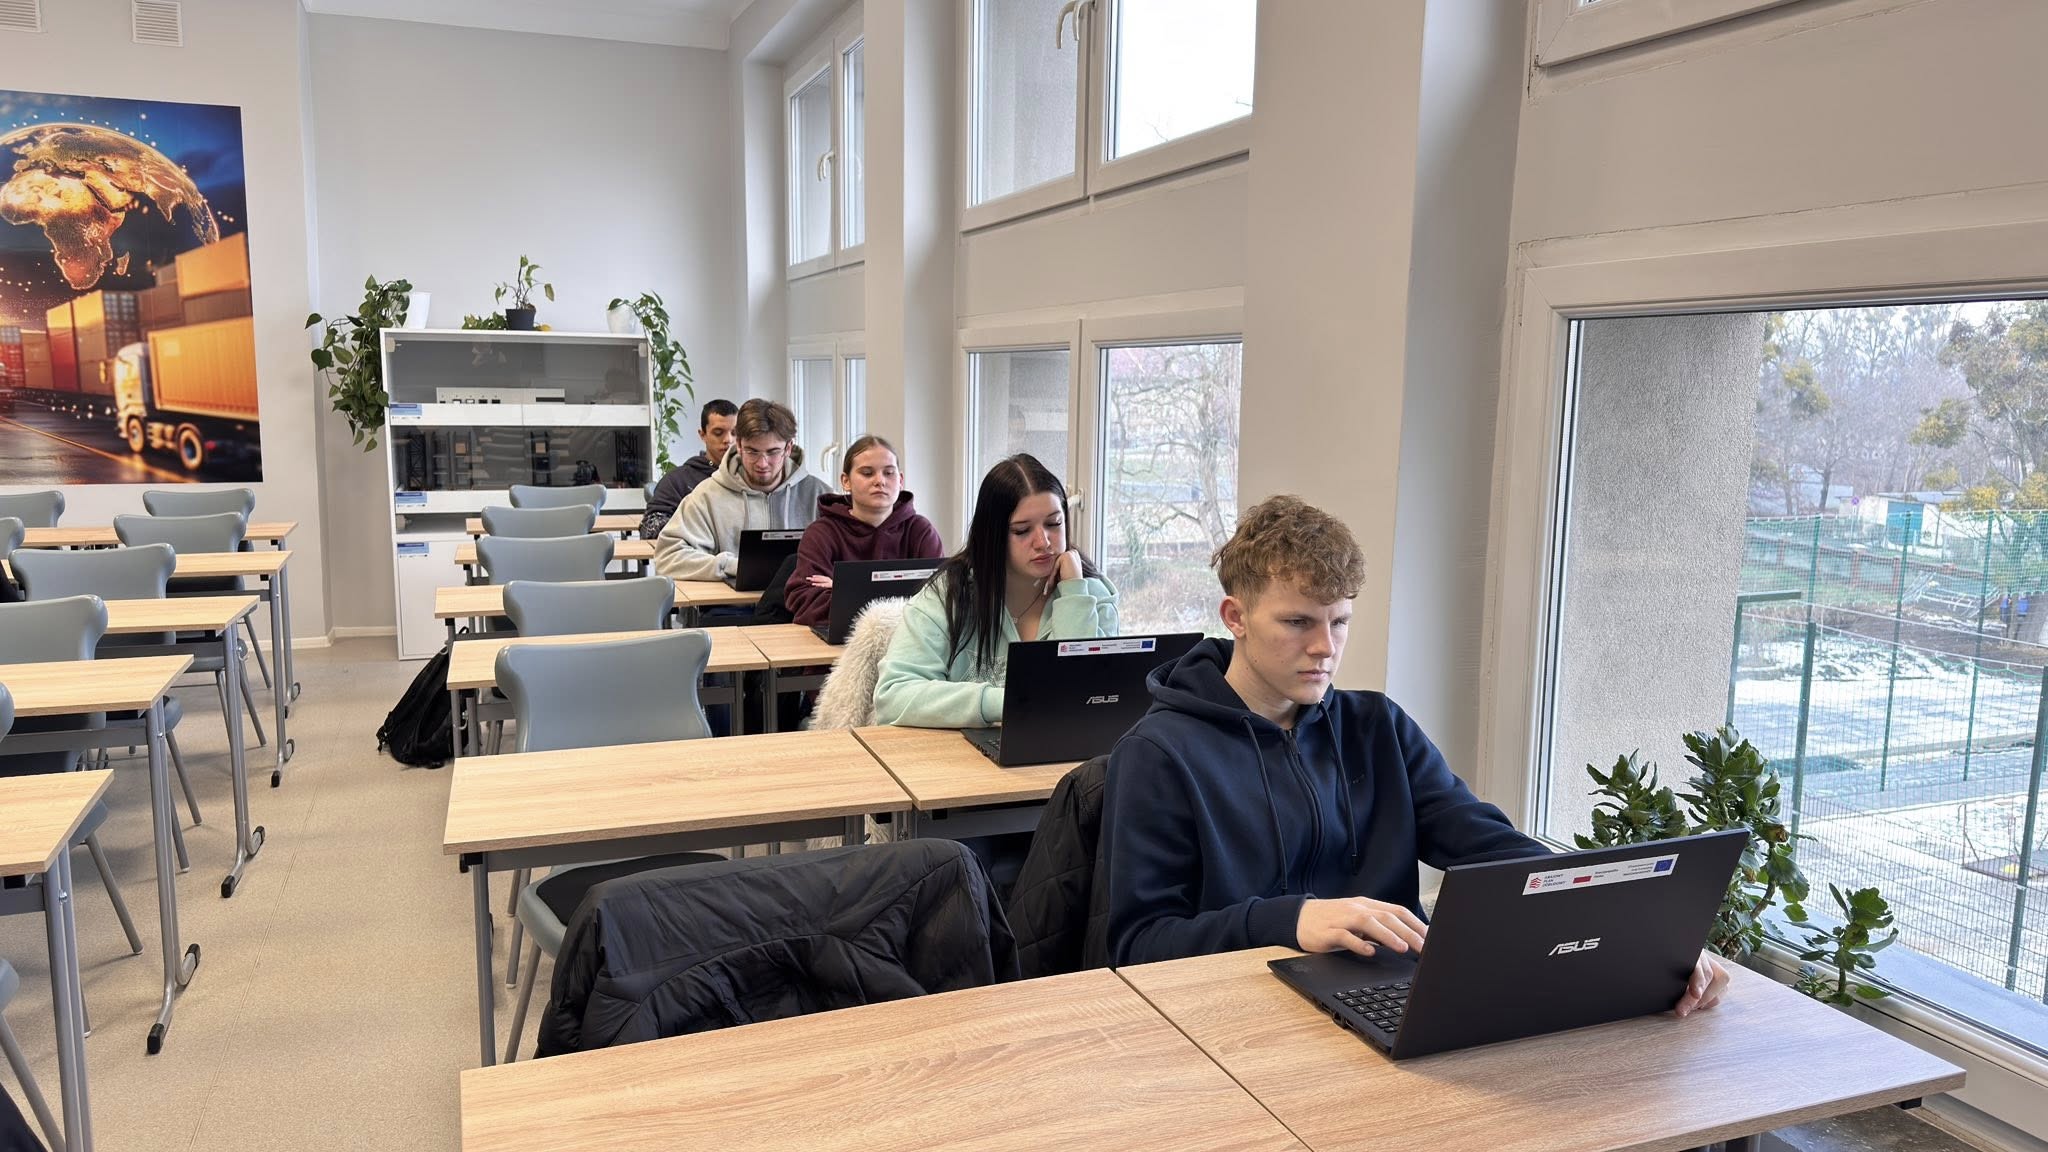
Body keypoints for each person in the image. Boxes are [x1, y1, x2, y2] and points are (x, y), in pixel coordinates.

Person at [1100, 495, 1730, 1018]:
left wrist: (1635, 931)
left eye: (1340, 622)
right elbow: (1138, 945)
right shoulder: (1159, 754)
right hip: (1234, 1016)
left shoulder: (1378, 727)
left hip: (1382, 997)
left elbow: (1491, 848)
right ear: (1235, 617)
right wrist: (1290, 921)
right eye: (1298, 623)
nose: (1325, 648)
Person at [872, 453, 1118, 728]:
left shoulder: (1090, 595)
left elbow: (1086, 699)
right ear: (992, 535)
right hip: (959, 753)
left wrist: (1074, 593)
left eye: (1054, 524)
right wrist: (1006, 702)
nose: (1043, 542)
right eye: (1022, 530)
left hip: (1061, 752)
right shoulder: (949, 593)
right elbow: (892, 696)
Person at [654, 398, 830, 581]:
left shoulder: (820, 497)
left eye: (773, 452)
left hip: (801, 597)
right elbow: (668, 556)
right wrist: (731, 566)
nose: (762, 463)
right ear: (738, 445)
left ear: (788, 448)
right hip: (729, 599)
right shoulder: (706, 496)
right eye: (752, 451)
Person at [783, 434, 945, 629]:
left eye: (889, 473)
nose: (880, 481)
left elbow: (939, 601)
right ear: (846, 481)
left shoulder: (920, 531)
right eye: (867, 473)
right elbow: (806, 601)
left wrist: (846, 591)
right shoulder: (821, 533)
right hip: (840, 642)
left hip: (909, 640)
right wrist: (900, 600)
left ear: (900, 480)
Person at [640, 398, 738, 539]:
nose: (728, 440)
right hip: (696, 551)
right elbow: (650, 527)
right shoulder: (678, 480)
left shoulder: (751, 478)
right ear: (702, 435)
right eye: (718, 433)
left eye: (735, 433)